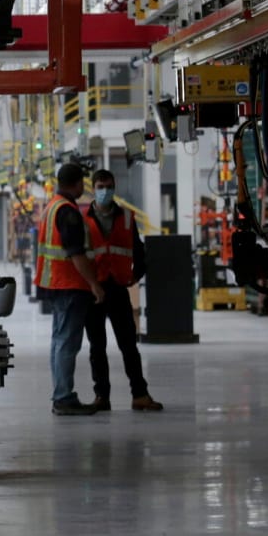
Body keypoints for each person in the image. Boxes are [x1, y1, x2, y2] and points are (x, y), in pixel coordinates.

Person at [83, 169, 163, 412]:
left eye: (108, 186)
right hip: (94, 289)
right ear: (94, 188)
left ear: (114, 187)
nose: (104, 190)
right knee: (97, 347)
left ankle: (139, 394)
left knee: (128, 345)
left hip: (117, 286)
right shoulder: (83, 218)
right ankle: (102, 397)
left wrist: (136, 274)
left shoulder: (127, 217)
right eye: (100, 186)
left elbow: (138, 250)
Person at [34, 162, 104, 416]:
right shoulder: (68, 212)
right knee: (67, 343)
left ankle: (61, 395)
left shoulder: (52, 206)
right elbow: (76, 254)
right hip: (70, 284)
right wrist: (94, 284)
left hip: (55, 283)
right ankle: (63, 398)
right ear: (77, 184)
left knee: (59, 341)